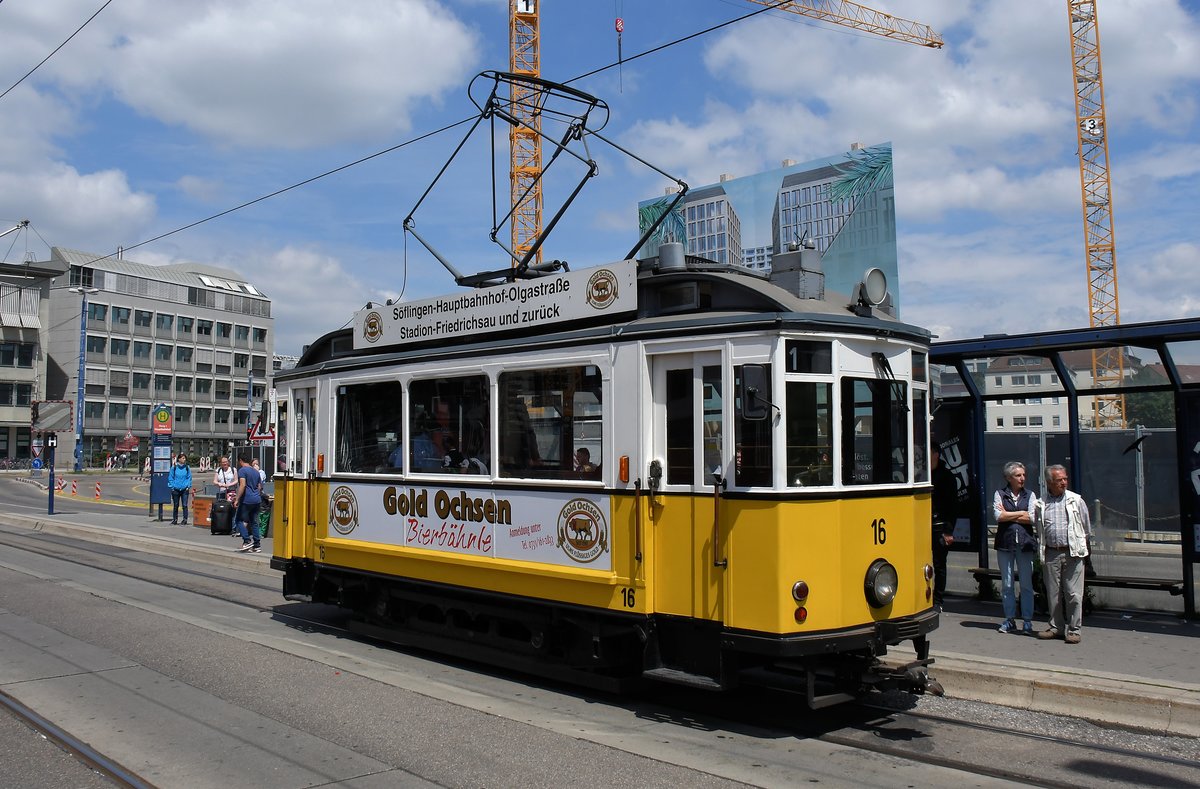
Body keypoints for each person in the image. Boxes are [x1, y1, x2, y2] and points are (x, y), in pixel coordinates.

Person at [1035, 465, 1092, 644]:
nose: (1064, 482)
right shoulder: (1041, 503)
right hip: (1051, 552)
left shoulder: (1076, 500)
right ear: (1049, 482)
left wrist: (1081, 547)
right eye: (1060, 480)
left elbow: (1086, 527)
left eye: (1065, 479)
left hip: (1073, 552)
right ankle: (1056, 628)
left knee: (1073, 593)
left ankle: (1074, 630)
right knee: (1053, 593)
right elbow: (1039, 528)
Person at [992, 461, 1038, 634]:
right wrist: (1021, 513)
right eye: (1018, 475)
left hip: (1025, 543)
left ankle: (1027, 621)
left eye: (1023, 475)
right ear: (1008, 478)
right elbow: (998, 516)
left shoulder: (1030, 495)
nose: (1022, 478)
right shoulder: (1000, 494)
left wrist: (1009, 514)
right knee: (1007, 583)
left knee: (1026, 584)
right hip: (1005, 544)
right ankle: (1009, 619)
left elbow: (1033, 518)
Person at [930, 446, 957, 610]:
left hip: (939, 526)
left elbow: (952, 506)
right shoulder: (922, 473)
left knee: (939, 564)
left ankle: (938, 600)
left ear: (936, 454)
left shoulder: (947, 477)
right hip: (923, 525)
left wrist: (948, 531)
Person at [233, 454, 264, 553]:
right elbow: (259, 487)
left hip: (247, 499)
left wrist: (237, 499)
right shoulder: (256, 472)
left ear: (241, 460)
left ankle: (247, 540)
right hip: (257, 499)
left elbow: (242, 485)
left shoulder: (242, 470)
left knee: (238, 520)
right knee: (254, 522)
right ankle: (257, 545)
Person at [167, 453, 193, 525]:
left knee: (184, 505)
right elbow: (170, 478)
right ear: (179, 459)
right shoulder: (174, 468)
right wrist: (172, 487)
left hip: (184, 489)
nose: (184, 460)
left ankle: (185, 519)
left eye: (185, 458)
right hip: (175, 489)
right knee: (176, 505)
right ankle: (175, 519)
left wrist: (188, 486)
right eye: (183, 458)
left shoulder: (187, 468)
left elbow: (189, 477)